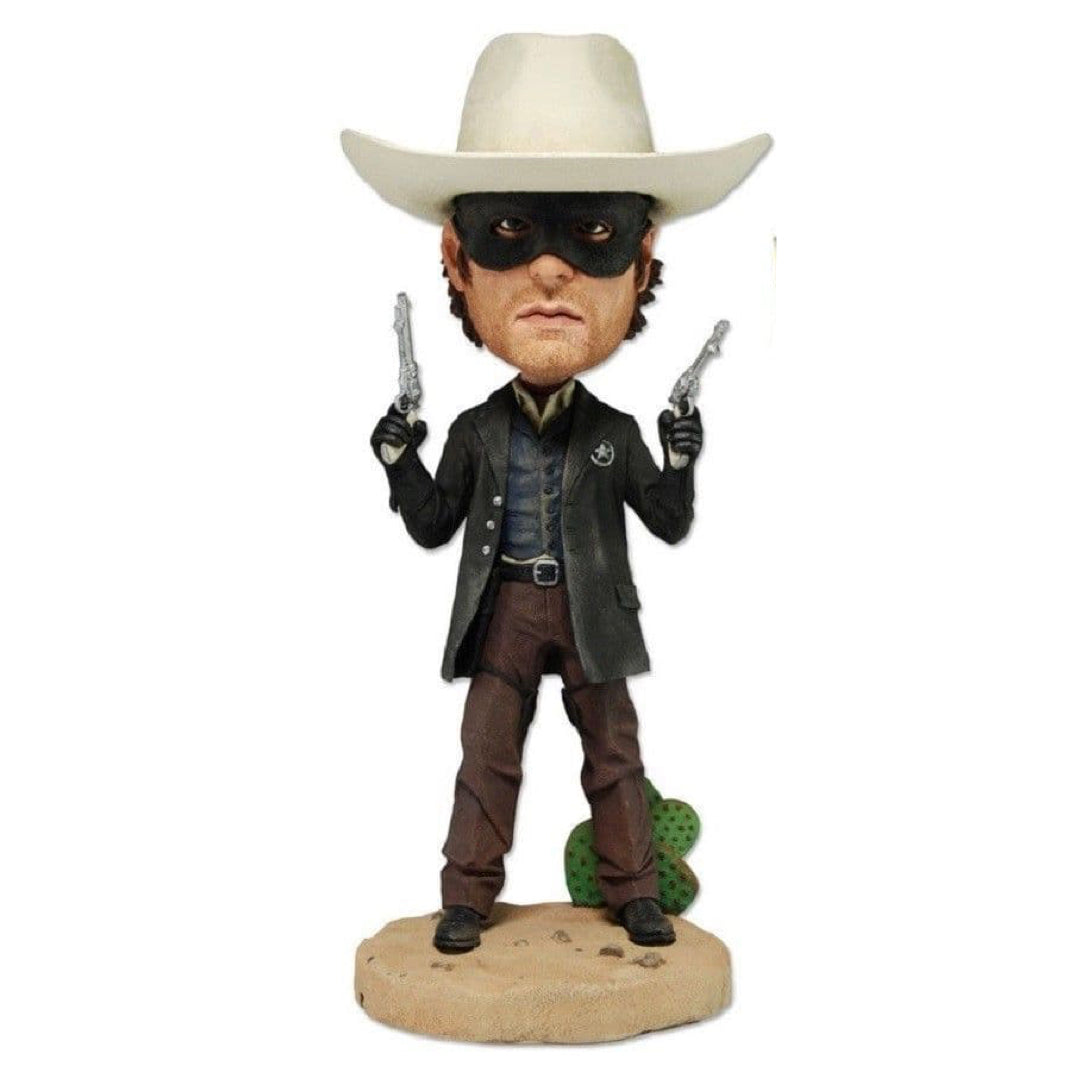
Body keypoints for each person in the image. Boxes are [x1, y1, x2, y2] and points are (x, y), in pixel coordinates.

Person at [341, 32, 771, 954]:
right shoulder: (474, 430)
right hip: (502, 611)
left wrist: (681, 458)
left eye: (594, 234)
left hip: (593, 614)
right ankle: (466, 896)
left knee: (614, 754)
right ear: (457, 261)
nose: (549, 270)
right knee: (485, 754)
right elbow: (432, 523)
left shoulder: (615, 431)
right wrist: (400, 462)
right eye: (508, 231)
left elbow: (668, 519)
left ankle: (635, 891)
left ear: (642, 262)